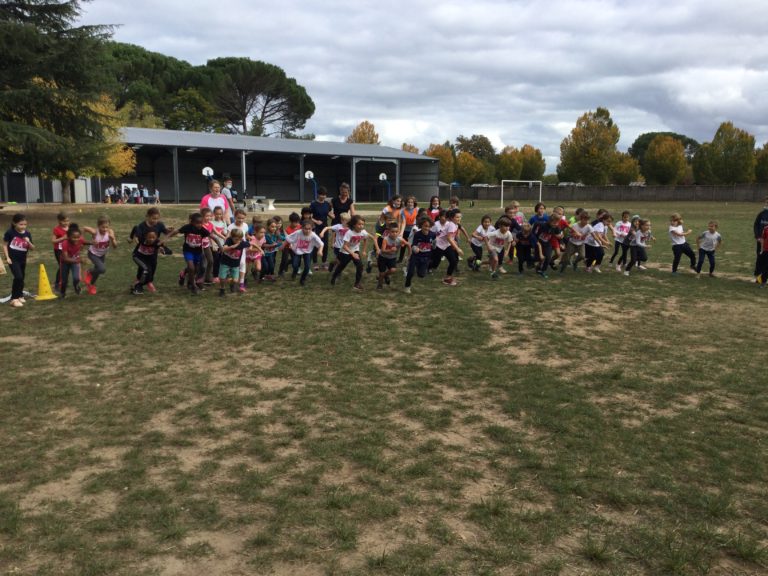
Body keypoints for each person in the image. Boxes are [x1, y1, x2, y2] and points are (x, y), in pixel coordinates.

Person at [129, 207, 174, 293]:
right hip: (142, 251)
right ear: (148, 216)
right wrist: (133, 238)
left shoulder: (160, 225)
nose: (155, 220)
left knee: (152, 268)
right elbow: (136, 231)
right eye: (153, 218)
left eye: (157, 218)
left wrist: (169, 231)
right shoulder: (142, 226)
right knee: (144, 268)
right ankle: (138, 283)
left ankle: (148, 282)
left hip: (153, 251)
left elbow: (166, 233)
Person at [330, 215, 376, 291]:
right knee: (341, 266)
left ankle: (357, 284)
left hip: (355, 250)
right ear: (354, 225)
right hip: (345, 251)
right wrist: (352, 254)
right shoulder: (349, 233)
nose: (361, 226)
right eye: (359, 224)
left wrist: (364, 250)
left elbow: (365, 239)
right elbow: (344, 246)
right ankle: (334, 277)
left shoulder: (363, 232)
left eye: (363, 224)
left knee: (360, 266)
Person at [169, 213, 211, 295]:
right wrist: (166, 238)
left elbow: (213, 236)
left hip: (198, 252)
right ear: (192, 222)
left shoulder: (202, 230)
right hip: (188, 251)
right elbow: (176, 231)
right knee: (191, 268)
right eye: (197, 223)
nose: (199, 225)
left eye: (201, 223)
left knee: (194, 269)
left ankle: (184, 274)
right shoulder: (187, 227)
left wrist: (221, 246)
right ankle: (193, 286)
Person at [3, 213, 35, 308]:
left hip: (22, 260)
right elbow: (4, 245)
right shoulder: (10, 232)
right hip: (13, 260)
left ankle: (20, 295)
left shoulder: (27, 234)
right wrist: (7, 257)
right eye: (21, 224)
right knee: (18, 277)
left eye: (25, 224)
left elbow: (32, 248)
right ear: (14, 223)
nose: (23, 226)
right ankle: (14, 299)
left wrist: (28, 241)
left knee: (21, 277)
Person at [83, 216, 118, 295]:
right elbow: (84, 228)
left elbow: (115, 246)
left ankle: (91, 285)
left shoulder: (110, 232)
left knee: (98, 271)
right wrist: (83, 240)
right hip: (93, 254)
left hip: (102, 255)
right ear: (98, 226)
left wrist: (112, 239)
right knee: (102, 269)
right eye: (103, 227)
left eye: (107, 227)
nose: (105, 229)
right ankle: (88, 272)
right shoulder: (95, 232)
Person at [286, 219, 324, 286]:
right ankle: (294, 273)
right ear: (302, 228)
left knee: (307, 267)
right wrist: (286, 245)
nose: (308, 230)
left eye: (310, 229)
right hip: (298, 251)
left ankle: (302, 280)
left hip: (307, 251)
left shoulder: (313, 235)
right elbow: (288, 238)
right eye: (306, 229)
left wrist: (320, 250)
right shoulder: (298, 232)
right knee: (295, 265)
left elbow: (321, 243)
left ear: (312, 228)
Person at [404, 217, 436, 294]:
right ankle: (407, 287)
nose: (427, 228)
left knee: (421, 275)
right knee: (410, 273)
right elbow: (413, 245)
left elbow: (434, 246)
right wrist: (415, 248)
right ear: (421, 225)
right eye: (425, 226)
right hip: (416, 256)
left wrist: (434, 245)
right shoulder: (417, 234)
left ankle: (418, 267)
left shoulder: (433, 234)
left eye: (428, 226)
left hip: (426, 257)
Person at [433, 208, 463, 286]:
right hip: (439, 245)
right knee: (434, 264)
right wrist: (457, 248)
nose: (459, 218)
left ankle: (447, 278)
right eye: (457, 217)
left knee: (453, 261)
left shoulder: (455, 224)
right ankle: (424, 265)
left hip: (446, 245)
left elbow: (450, 237)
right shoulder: (452, 225)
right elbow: (449, 238)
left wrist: (454, 243)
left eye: (460, 217)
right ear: (452, 218)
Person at [377, 221, 410, 289]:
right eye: (392, 232)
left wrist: (409, 254)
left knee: (393, 270)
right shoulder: (386, 239)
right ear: (389, 232)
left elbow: (408, 244)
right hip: (382, 257)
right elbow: (382, 250)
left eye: (396, 232)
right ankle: (380, 284)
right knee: (381, 273)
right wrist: (390, 250)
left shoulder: (400, 239)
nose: (394, 233)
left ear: (398, 232)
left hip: (392, 258)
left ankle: (385, 275)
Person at [219, 228, 249, 295]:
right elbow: (223, 249)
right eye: (236, 239)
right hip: (225, 262)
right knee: (222, 278)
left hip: (235, 264)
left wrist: (259, 249)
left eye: (240, 239)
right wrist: (232, 247)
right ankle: (222, 289)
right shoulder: (228, 240)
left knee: (235, 280)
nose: (238, 241)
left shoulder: (242, 242)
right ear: (232, 237)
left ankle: (232, 284)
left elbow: (250, 244)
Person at [131, 230, 161, 295]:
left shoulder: (157, 242)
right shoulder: (141, 239)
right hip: (137, 257)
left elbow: (164, 248)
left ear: (156, 237)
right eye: (149, 237)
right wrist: (132, 237)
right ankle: (138, 287)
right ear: (145, 237)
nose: (151, 239)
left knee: (149, 273)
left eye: (153, 237)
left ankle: (138, 285)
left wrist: (162, 249)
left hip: (148, 259)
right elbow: (136, 228)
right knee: (146, 269)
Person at [59, 224, 86, 298]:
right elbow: (65, 258)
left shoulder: (80, 240)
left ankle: (76, 286)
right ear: (68, 237)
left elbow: (84, 242)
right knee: (64, 281)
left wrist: (92, 243)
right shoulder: (65, 243)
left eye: (78, 237)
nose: (76, 239)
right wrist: (78, 260)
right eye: (74, 237)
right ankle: (63, 292)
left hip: (75, 261)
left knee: (76, 278)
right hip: (65, 263)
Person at [310, 187, 331, 268]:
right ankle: (315, 263)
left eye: (324, 195)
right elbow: (309, 216)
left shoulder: (327, 204)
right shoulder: (313, 204)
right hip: (316, 227)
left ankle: (324, 262)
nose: (323, 196)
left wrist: (332, 216)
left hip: (325, 227)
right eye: (321, 194)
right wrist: (316, 221)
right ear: (318, 195)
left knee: (325, 245)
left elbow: (328, 213)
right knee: (316, 244)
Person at [51, 211, 69, 291]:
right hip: (58, 250)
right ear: (59, 221)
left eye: (67, 221)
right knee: (62, 266)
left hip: (67, 250)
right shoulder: (57, 229)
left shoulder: (70, 228)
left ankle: (64, 282)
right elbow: (53, 241)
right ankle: (57, 283)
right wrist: (63, 238)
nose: (66, 223)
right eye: (64, 221)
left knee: (67, 266)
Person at [400, 196, 419, 262]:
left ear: (414, 203)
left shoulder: (417, 210)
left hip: (414, 230)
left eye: (411, 202)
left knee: (412, 244)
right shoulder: (403, 210)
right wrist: (401, 233)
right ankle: (400, 258)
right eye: (408, 202)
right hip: (405, 230)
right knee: (403, 245)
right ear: (406, 203)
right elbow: (403, 222)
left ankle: (411, 257)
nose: (410, 203)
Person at [753, 197, 768, 280]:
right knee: (760, 258)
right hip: (761, 241)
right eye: (766, 202)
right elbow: (756, 225)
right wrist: (757, 236)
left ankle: (765, 277)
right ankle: (757, 276)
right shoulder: (761, 214)